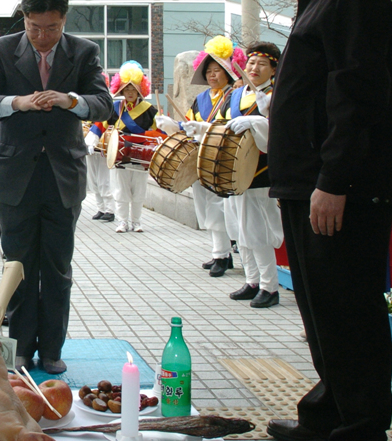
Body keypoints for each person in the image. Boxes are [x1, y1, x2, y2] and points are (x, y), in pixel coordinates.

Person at [266, 0, 392, 441]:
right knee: (324, 307)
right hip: (310, 183)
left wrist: (334, 181)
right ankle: (332, 411)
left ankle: (360, 424)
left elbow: (359, 101)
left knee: (348, 307)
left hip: (337, 189)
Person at [0, 0, 113, 374]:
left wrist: (72, 101)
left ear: (64, 19)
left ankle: (51, 349)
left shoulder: (84, 52)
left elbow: (104, 104)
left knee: (56, 267)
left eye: (52, 28)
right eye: (34, 28)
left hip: (62, 176)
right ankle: (18, 346)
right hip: (15, 174)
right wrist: (16, 103)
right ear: (24, 18)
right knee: (17, 265)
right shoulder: (1, 49)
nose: (43, 37)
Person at [161, 36, 246, 277]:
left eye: (217, 70)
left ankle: (223, 254)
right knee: (206, 208)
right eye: (208, 71)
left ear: (228, 72)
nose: (212, 75)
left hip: (223, 159)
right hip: (200, 157)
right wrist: (172, 125)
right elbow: (189, 123)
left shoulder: (233, 96)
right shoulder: (200, 99)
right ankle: (219, 252)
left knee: (220, 209)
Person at [221, 42, 282, 308]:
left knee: (258, 231)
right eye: (251, 63)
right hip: (234, 173)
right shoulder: (234, 95)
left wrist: (260, 119)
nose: (254, 68)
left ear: (273, 69)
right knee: (240, 229)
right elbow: (221, 127)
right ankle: (252, 280)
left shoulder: (277, 94)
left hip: (260, 173)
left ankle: (270, 287)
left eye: (262, 64)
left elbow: (283, 134)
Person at [88, 62, 163, 233]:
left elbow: (160, 131)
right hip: (119, 155)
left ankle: (136, 221)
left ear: (139, 90)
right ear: (121, 90)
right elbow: (100, 124)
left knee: (138, 191)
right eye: (126, 90)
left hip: (141, 155)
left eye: (133, 89)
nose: (130, 93)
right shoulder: (115, 108)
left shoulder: (149, 110)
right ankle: (122, 221)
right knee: (120, 191)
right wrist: (92, 139)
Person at [83, 73, 115, 223]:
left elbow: (106, 123)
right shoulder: (85, 101)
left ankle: (110, 209)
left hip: (102, 147)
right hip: (88, 147)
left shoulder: (107, 103)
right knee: (93, 179)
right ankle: (100, 208)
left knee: (104, 180)